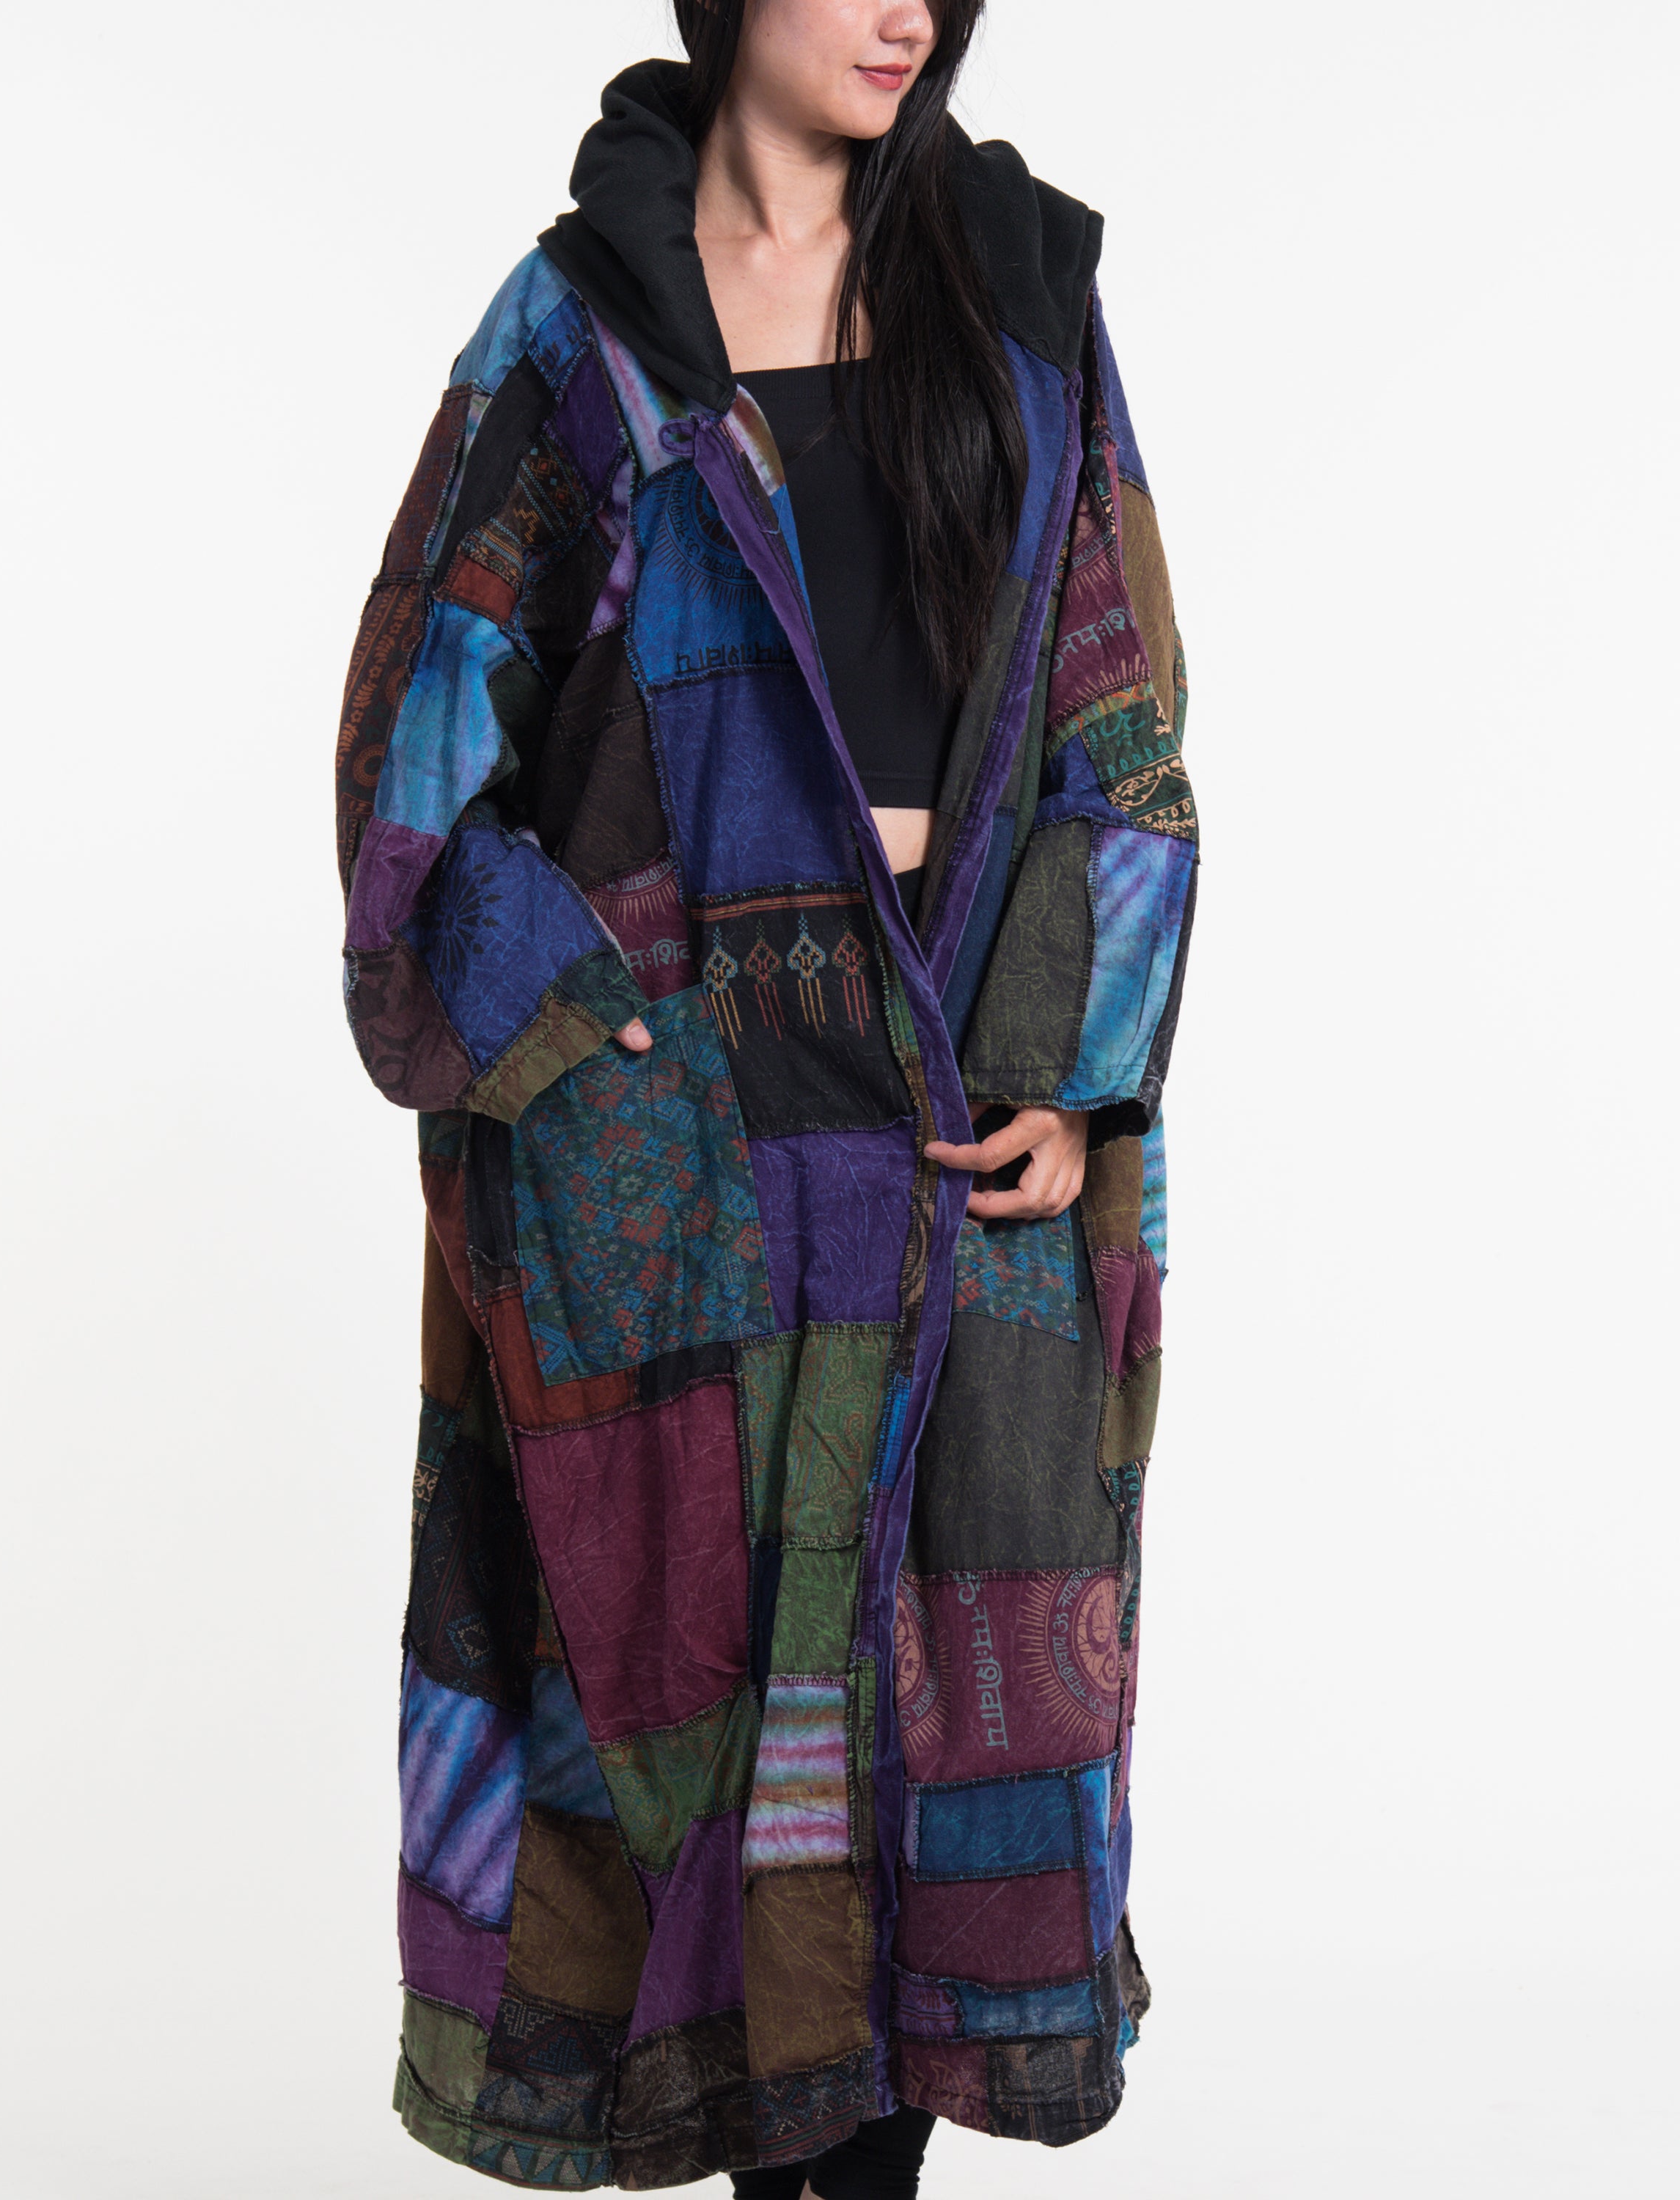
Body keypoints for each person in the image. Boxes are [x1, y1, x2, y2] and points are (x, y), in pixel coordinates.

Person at [335, 3, 1195, 2193]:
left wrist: (1076, 1077)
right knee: (713, 1827)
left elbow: (1121, 725)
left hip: (960, 1141)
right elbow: (417, 763)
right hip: (690, 1173)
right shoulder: (579, 334)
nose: (910, 10)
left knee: (924, 1808)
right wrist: (596, 1064)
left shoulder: (1017, 298)